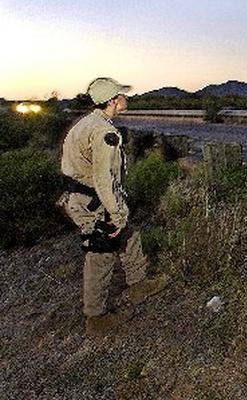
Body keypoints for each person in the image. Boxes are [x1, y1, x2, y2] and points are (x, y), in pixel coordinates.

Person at [59, 77, 168, 335]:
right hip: (94, 202)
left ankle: (138, 284)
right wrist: (117, 213)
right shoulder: (104, 132)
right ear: (112, 101)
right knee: (101, 254)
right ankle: (95, 318)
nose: (125, 98)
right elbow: (103, 178)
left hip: (84, 198)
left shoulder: (87, 123)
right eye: (121, 95)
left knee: (129, 237)